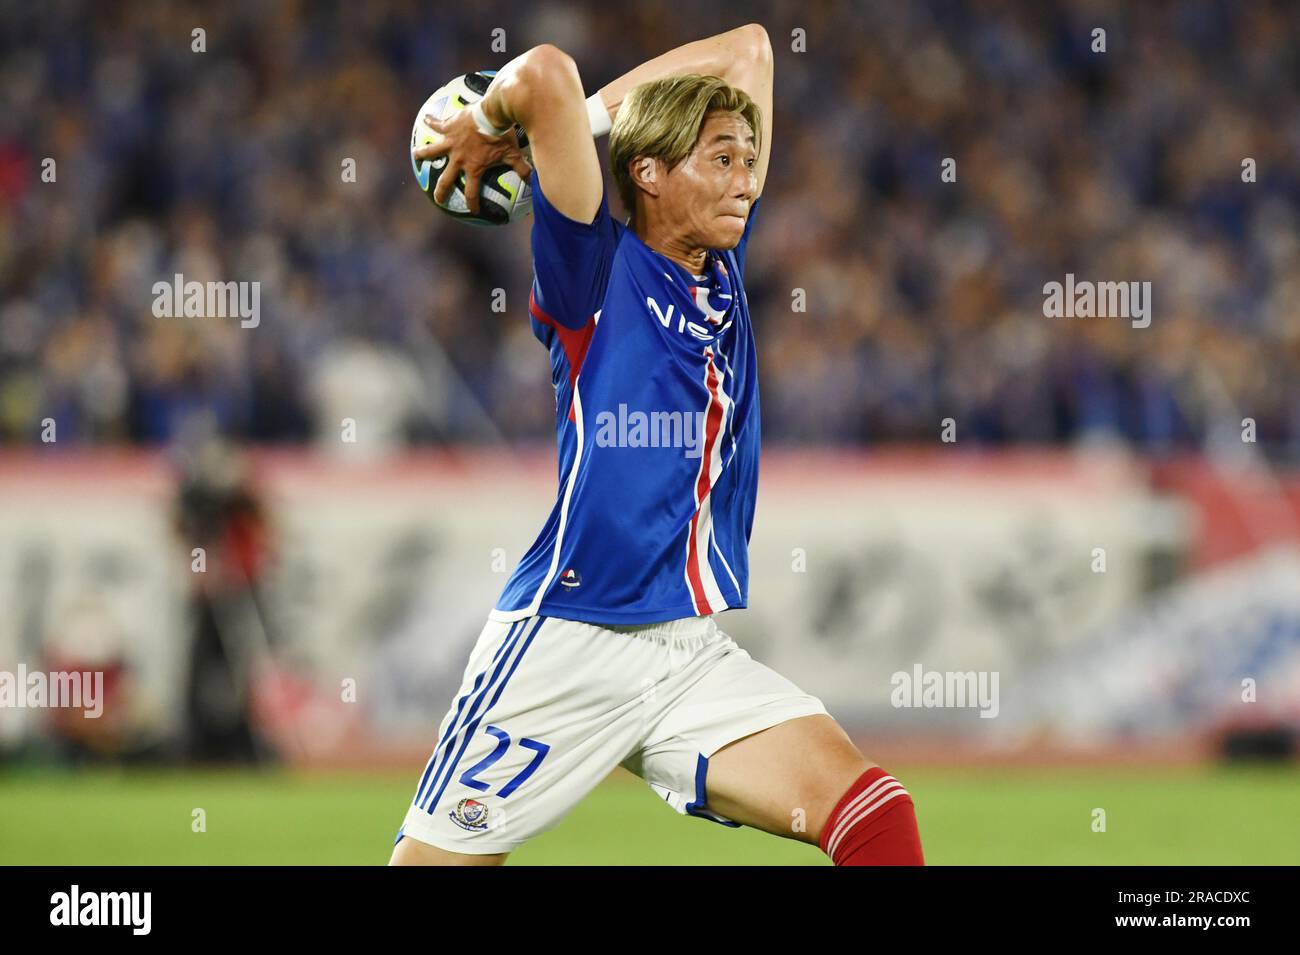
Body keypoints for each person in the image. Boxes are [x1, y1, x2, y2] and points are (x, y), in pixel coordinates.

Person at [393, 24, 924, 866]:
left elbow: (750, 48)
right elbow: (544, 76)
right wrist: (494, 120)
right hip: (565, 637)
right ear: (648, 172)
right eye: (721, 159)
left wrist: (663, 129)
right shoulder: (595, 272)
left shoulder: (722, 266)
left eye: (749, 159)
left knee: (875, 814)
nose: (747, 180)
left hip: (683, 650)